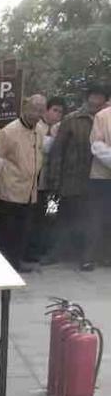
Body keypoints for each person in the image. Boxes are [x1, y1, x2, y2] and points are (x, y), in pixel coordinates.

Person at [47, 83, 109, 267]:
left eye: (100, 98)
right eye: (93, 96)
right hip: (69, 179)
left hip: (95, 181)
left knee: (91, 220)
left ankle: (87, 257)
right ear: (87, 98)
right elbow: (57, 151)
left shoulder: (106, 120)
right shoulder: (72, 120)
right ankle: (56, 253)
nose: (96, 101)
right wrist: (54, 181)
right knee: (59, 216)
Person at [0, 93, 47, 271]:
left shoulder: (39, 130)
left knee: (23, 230)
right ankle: (4, 265)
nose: (36, 114)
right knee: (8, 231)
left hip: (29, 189)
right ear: (25, 108)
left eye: (40, 110)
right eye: (33, 109)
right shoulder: (9, 131)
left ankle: (16, 262)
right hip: (10, 189)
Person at [28, 96, 66, 262]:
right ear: (46, 110)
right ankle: (33, 250)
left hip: (53, 185)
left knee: (51, 215)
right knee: (36, 218)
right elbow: (42, 147)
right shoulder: (36, 126)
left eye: (60, 112)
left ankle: (46, 250)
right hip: (38, 183)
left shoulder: (61, 128)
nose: (57, 115)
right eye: (54, 110)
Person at [88, 100, 111, 269]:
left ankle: (107, 256)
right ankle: (88, 257)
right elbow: (96, 146)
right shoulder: (102, 116)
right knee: (95, 219)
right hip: (102, 177)